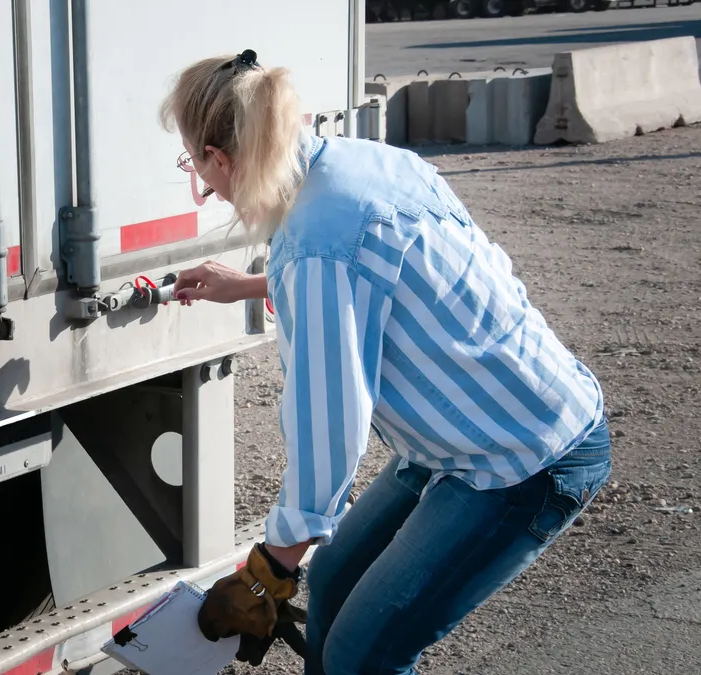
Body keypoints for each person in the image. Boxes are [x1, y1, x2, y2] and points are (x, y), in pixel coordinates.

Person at [165, 50, 612, 674]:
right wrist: (251, 285)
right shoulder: (361, 163)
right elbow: (379, 282)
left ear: (222, 158)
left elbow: (330, 433)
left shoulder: (313, 246)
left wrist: (269, 570)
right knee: (337, 581)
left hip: (522, 458)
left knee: (360, 657)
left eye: (199, 170)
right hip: (478, 426)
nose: (206, 188)